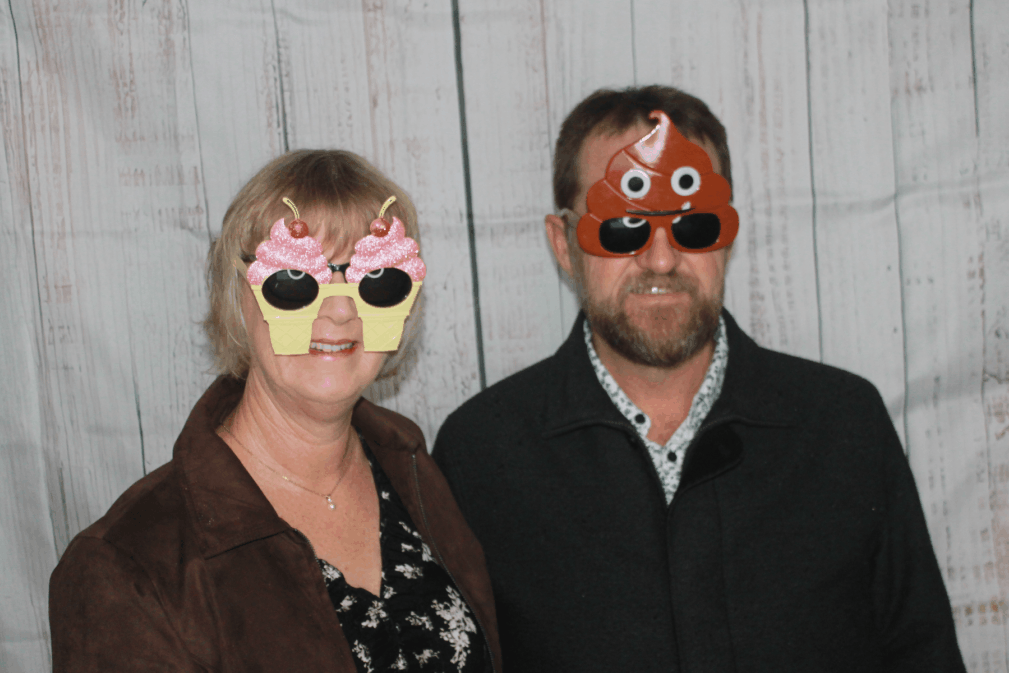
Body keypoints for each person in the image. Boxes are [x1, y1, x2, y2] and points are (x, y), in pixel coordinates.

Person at [433, 86, 965, 672]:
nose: (661, 260)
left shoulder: (844, 425)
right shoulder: (481, 454)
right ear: (563, 245)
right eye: (623, 227)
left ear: (727, 235)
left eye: (693, 224)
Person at [50, 150, 501, 672]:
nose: (340, 310)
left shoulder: (416, 470)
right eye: (294, 281)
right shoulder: (127, 566)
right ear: (236, 295)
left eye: (378, 280)